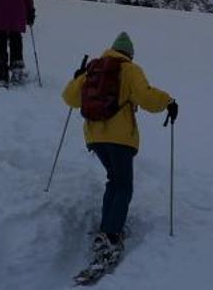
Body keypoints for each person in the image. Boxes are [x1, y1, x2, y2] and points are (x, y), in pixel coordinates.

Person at [61, 31, 178, 270]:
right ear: (130, 54)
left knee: (114, 180)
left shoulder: (93, 68)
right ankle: (111, 235)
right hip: (121, 138)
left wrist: (77, 78)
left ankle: (107, 227)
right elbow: (146, 97)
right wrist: (169, 101)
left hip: (94, 136)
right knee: (123, 184)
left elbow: (70, 98)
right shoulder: (130, 69)